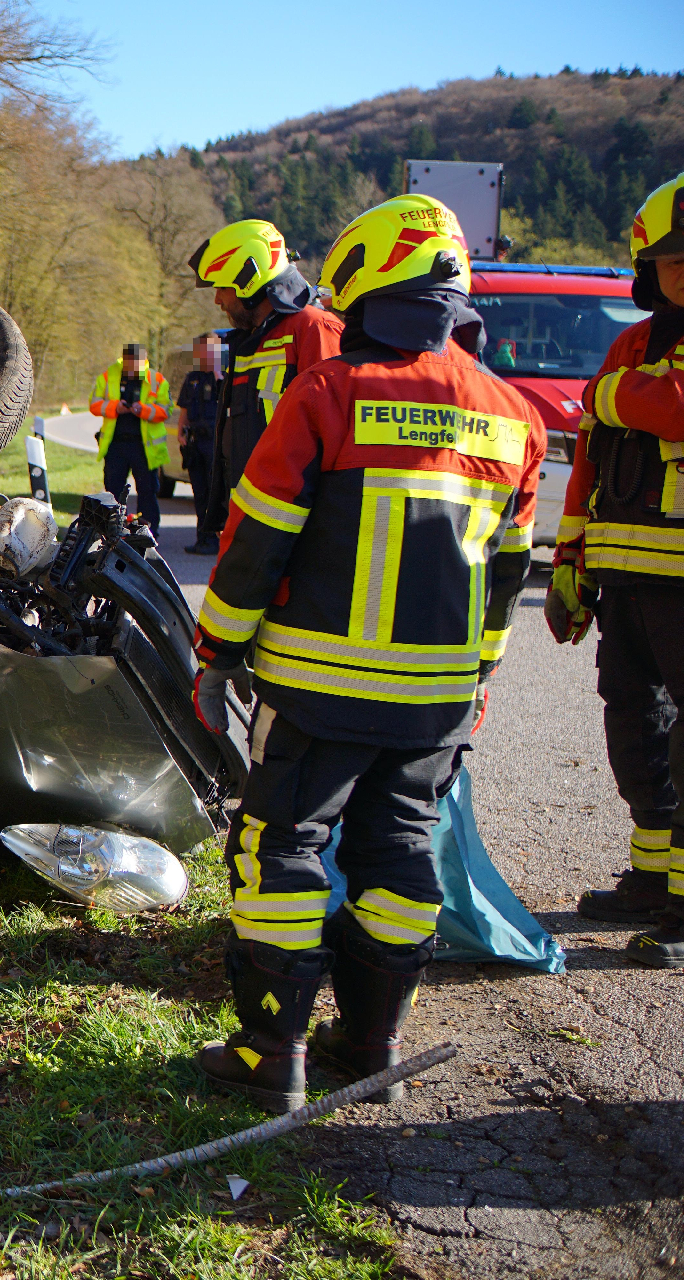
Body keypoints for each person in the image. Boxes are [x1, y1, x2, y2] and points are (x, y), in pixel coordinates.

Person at [188, 194, 546, 1113]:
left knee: (283, 848)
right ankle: (371, 1044)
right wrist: (482, 679)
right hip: (437, 698)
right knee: (401, 851)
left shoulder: (328, 392)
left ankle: (275, 1051)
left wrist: (218, 651)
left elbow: (255, 542)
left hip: (316, 690)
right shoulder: (514, 418)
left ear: (370, 280)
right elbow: (505, 579)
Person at [553, 172, 684, 968]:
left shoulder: (620, 368)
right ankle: (653, 876)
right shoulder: (633, 344)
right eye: (676, 261)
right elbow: (590, 463)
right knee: (635, 727)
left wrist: (609, 395)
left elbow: (668, 409)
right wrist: (570, 562)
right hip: (627, 579)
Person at [187, 220, 345, 552]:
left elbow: (334, 442)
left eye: (221, 287)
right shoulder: (251, 341)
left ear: (248, 281)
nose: (217, 299)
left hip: (294, 537)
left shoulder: (314, 329)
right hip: (253, 525)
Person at [88, 342, 172, 534]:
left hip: (144, 446)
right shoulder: (109, 376)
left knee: (147, 490)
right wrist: (115, 407)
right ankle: (112, 530)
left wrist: (143, 410)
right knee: (113, 491)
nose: (133, 367)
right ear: (124, 360)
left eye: (138, 363)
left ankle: (148, 531)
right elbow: (94, 404)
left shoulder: (156, 379)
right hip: (116, 444)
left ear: (144, 360)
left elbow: (166, 409)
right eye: (130, 363)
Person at [176, 332, 227, 554]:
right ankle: (202, 539)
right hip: (196, 443)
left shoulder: (225, 376)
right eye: (203, 349)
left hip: (216, 443)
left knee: (216, 493)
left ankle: (217, 540)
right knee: (200, 493)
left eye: (212, 349)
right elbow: (184, 409)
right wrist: (181, 432)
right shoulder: (192, 378)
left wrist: (219, 378)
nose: (207, 354)